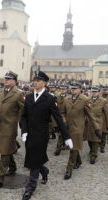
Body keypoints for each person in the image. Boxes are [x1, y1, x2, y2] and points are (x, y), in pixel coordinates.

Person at [20, 71, 73, 200]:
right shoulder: (28, 97)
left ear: (44, 83)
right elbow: (24, 116)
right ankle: (44, 171)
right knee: (34, 159)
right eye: (34, 80)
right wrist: (24, 131)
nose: (35, 82)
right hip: (29, 135)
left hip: (41, 135)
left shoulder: (49, 98)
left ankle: (30, 187)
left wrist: (66, 137)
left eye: (38, 80)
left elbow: (58, 118)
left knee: (34, 160)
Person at [0, 71, 25, 189]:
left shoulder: (19, 93)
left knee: (4, 152)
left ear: (15, 81)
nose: (6, 80)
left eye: (9, 79)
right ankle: (13, 167)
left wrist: (24, 125)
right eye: (5, 78)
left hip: (10, 128)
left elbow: (24, 110)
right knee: (6, 149)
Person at [61, 81, 101, 180]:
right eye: (72, 88)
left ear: (80, 89)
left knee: (73, 148)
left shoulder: (85, 100)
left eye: (75, 89)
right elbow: (62, 112)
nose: (73, 90)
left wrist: (96, 128)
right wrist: (64, 121)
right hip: (68, 127)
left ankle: (68, 170)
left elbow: (91, 115)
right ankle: (78, 161)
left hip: (78, 128)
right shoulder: (66, 99)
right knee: (72, 146)